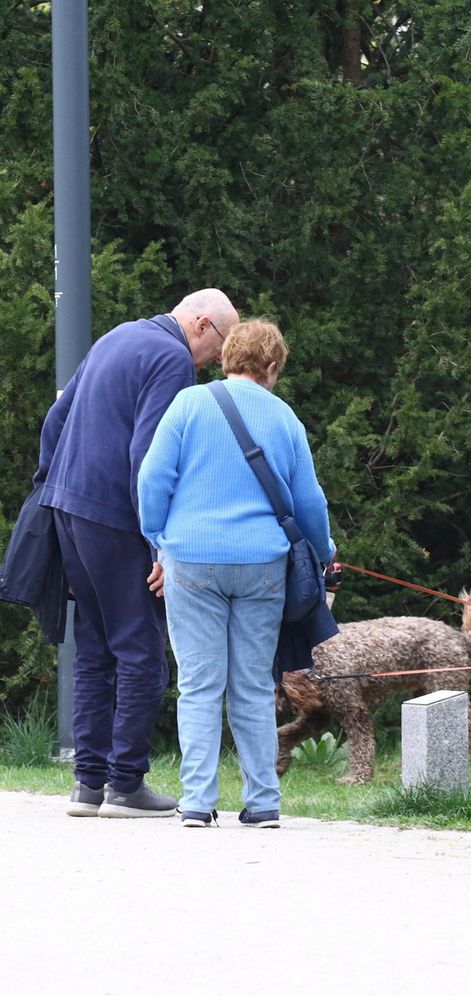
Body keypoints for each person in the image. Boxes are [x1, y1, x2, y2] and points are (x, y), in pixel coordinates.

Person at [36, 289, 239, 818]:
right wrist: (160, 546)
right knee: (142, 651)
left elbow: (56, 420)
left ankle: (88, 786)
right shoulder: (171, 358)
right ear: (201, 324)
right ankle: (125, 785)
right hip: (114, 517)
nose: (215, 363)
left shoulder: (118, 336)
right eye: (217, 351)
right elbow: (147, 458)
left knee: (96, 647)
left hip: (68, 507)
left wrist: (49, 490)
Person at [137, 319, 334, 828]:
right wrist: (324, 550)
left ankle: (198, 803)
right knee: (251, 683)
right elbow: (310, 502)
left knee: (200, 684)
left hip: (192, 560)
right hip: (261, 565)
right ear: (271, 368)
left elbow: (152, 476)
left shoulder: (188, 404)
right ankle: (264, 801)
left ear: (225, 359)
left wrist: (157, 538)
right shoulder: (285, 417)